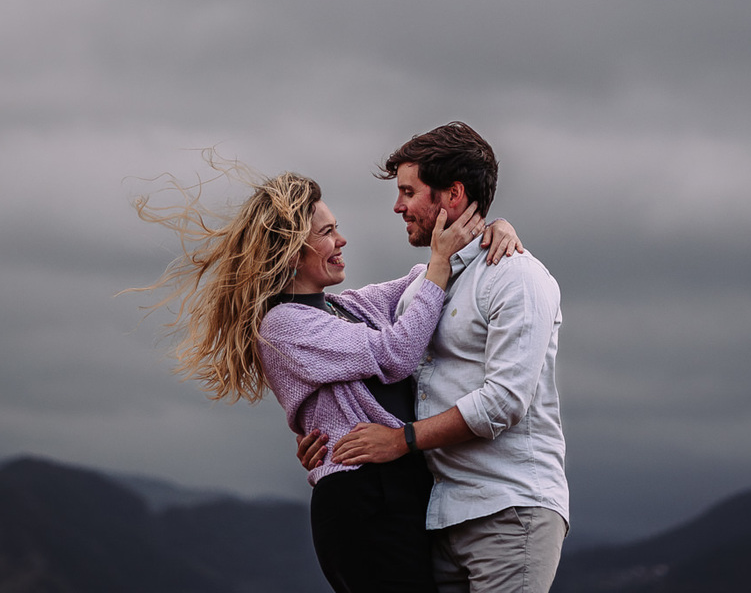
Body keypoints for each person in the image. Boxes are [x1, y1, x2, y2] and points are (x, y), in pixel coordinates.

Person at [134, 164, 522, 593]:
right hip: (363, 499)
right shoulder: (283, 325)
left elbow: (428, 278)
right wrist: (439, 262)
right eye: (327, 232)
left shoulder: (348, 307)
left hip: (402, 490)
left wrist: (493, 228)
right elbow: (397, 353)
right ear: (291, 250)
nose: (341, 240)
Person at [300, 122, 568, 593]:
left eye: (409, 191)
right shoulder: (424, 290)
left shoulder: (516, 277)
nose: (398, 205)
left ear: (453, 194)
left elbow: (505, 400)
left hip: (509, 509)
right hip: (440, 516)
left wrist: (400, 440)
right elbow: (371, 364)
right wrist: (328, 438)